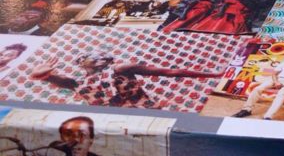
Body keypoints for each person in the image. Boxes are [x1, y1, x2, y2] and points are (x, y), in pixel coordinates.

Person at [30, 51, 225, 108]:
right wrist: (39, 74)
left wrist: (213, 74)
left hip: (143, 113)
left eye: (103, 57)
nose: (101, 58)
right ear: (81, 63)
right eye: (93, 56)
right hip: (112, 124)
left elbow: (170, 72)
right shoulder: (77, 83)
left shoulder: (119, 69)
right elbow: (48, 78)